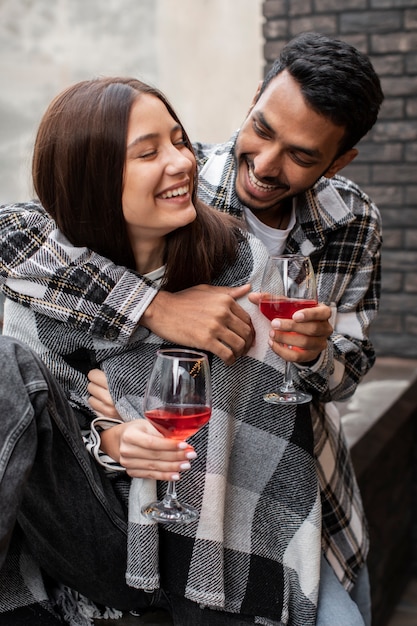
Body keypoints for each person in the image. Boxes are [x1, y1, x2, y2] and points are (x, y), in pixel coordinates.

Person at [0, 31, 383, 623]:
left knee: (345, 612)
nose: (266, 163)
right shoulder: (183, 183)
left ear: (337, 161)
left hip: (290, 477)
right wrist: (155, 312)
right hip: (144, 502)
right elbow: (19, 240)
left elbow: (349, 368)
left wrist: (314, 354)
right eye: (262, 128)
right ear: (255, 98)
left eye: (302, 156)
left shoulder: (351, 222)